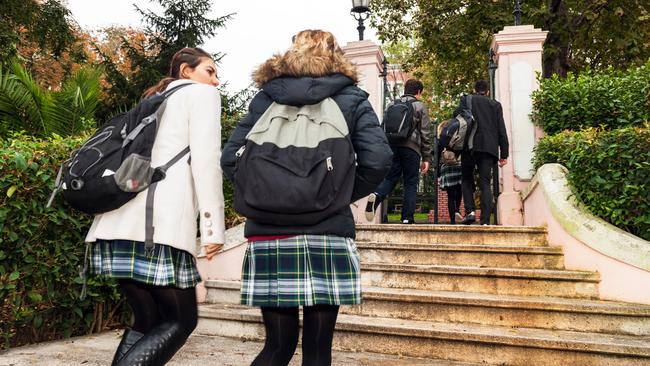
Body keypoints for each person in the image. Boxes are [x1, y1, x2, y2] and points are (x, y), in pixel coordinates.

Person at [221, 29, 392, 366]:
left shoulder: (266, 98)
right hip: (327, 232)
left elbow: (230, 159)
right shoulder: (352, 98)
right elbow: (379, 160)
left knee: (276, 347)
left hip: (270, 233)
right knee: (317, 350)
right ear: (335, 55)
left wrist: (265, 194)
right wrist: (336, 193)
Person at [85, 47, 225, 366]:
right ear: (186, 71)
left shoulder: (155, 99)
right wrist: (213, 226)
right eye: (210, 71)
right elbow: (206, 163)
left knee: (147, 321)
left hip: (116, 223)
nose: (216, 81)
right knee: (181, 320)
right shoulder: (201, 96)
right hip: (158, 228)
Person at [365, 79, 432, 224]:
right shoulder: (419, 106)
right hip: (411, 148)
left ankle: (377, 194)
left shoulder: (392, 105)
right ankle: (407, 218)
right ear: (418, 92)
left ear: (405, 89)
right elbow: (425, 133)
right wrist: (427, 157)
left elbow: (383, 127)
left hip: (392, 146)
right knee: (410, 182)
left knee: (390, 178)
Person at [454, 80, 509, 225]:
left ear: (474, 89)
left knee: (466, 179)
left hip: (469, 146)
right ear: (488, 91)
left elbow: (456, 117)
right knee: (485, 182)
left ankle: (470, 212)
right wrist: (504, 154)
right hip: (488, 148)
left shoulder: (466, 100)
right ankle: (485, 220)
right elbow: (501, 130)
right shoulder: (495, 105)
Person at [437, 121, 463, 224]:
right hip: (458, 166)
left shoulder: (440, 140)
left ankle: (452, 220)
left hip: (446, 168)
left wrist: (438, 173)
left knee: (450, 196)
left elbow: (438, 155)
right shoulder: (455, 136)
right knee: (459, 190)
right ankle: (457, 210)